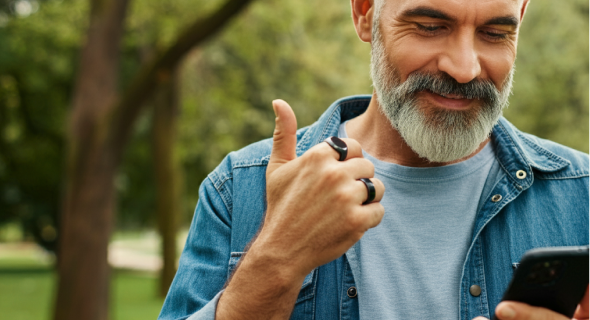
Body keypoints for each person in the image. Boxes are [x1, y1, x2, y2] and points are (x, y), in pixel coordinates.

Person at [158, 0, 590, 319]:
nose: (464, 67)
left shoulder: (582, 193)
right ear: (366, 13)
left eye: (495, 34)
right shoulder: (239, 187)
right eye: (429, 26)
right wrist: (277, 259)